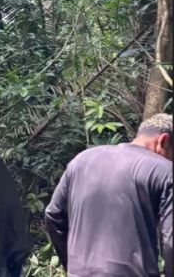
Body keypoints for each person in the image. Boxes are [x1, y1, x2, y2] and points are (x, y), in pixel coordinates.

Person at [45, 112, 173, 277]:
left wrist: (71, 265)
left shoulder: (81, 160)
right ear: (163, 141)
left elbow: (53, 215)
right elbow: (171, 240)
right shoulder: (165, 171)